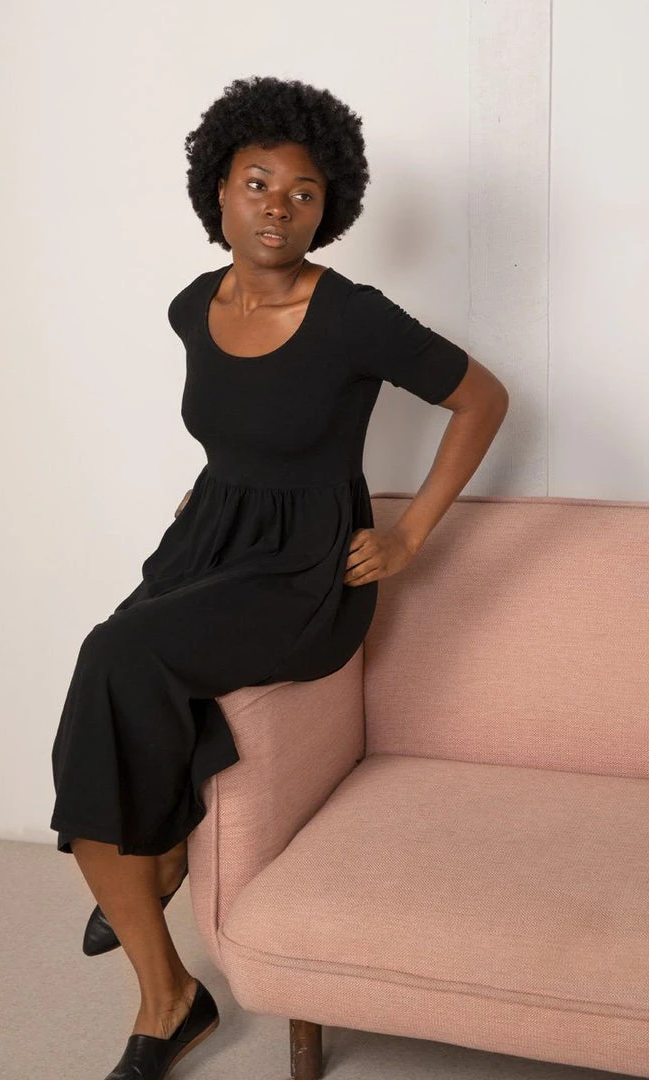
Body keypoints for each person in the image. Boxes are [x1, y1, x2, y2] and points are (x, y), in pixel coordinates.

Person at [49, 75, 509, 1079]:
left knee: (115, 652)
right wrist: (214, 492)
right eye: (257, 183)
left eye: (304, 192)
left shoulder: (352, 316)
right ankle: (167, 944)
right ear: (217, 191)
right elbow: (242, 430)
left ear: (328, 207)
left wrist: (410, 535)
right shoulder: (191, 306)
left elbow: (483, 399)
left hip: (310, 570)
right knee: (109, 677)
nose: (277, 206)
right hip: (209, 542)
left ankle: (163, 955)